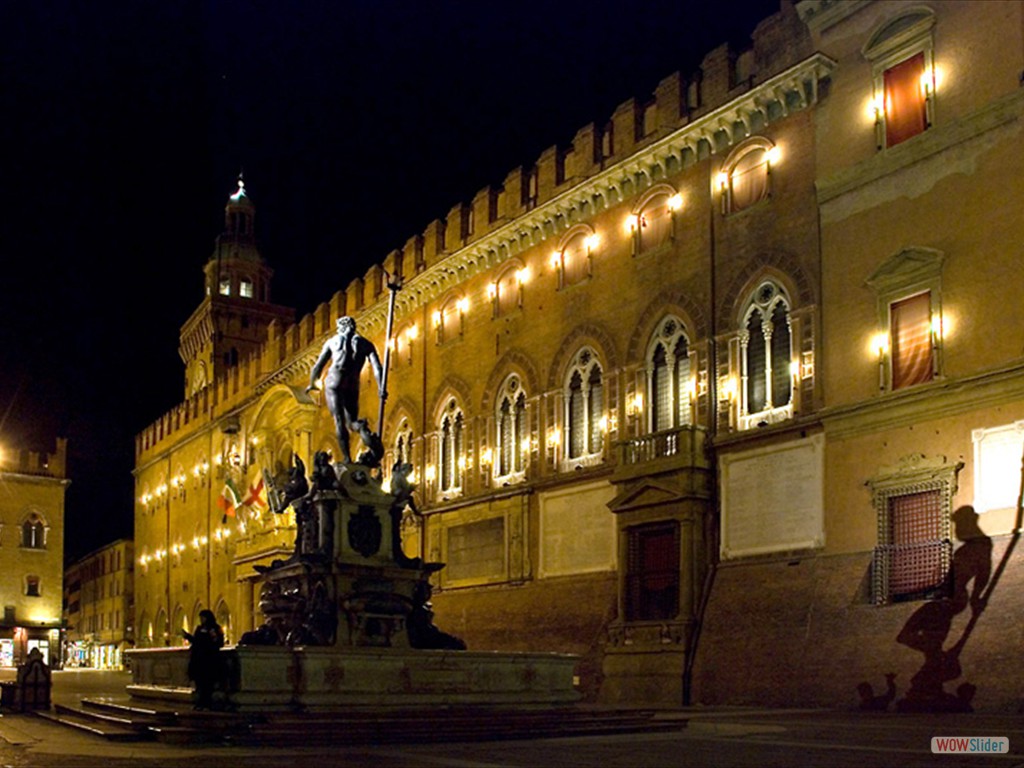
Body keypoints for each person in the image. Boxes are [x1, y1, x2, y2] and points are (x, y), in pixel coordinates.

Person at [306, 316, 386, 464]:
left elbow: (317, 366)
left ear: (340, 328)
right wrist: (381, 387)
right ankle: (362, 429)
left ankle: (347, 459)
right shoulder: (365, 344)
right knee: (352, 423)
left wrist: (312, 383)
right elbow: (377, 368)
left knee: (339, 421)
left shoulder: (332, 342)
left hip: (334, 381)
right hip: (352, 383)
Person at [183, 609, 225, 710]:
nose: (201, 619)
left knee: (208, 683)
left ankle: (207, 704)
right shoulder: (199, 628)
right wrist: (188, 637)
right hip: (198, 659)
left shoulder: (215, 628)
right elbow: (196, 641)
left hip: (209, 659)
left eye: (203, 617)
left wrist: (211, 638)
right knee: (199, 683)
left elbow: (219, 642)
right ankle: (200, 703)